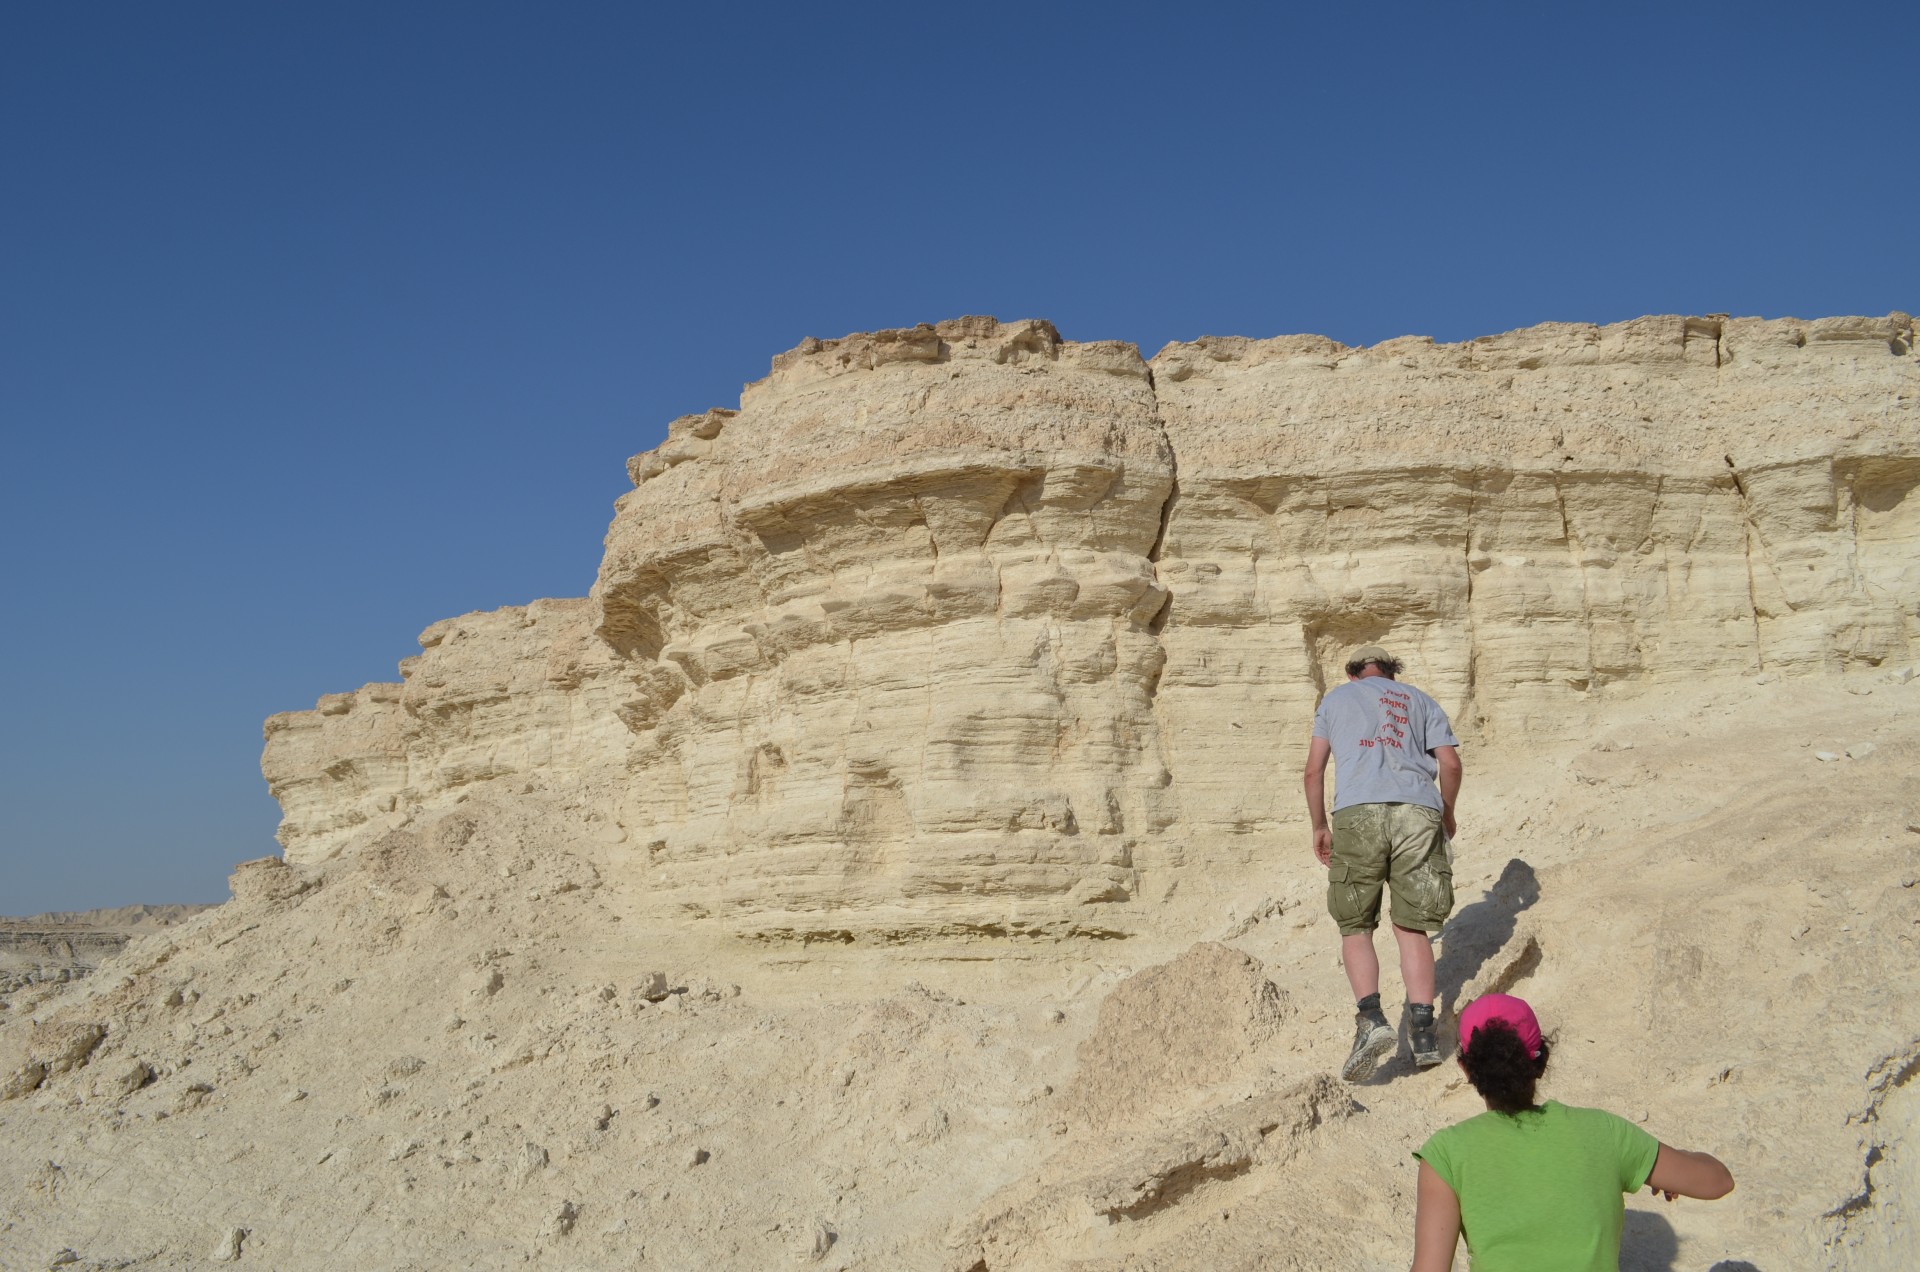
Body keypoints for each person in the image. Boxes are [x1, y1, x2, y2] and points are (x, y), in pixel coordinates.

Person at [1410, 993, 1734, 1271]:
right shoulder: (1604, 1131)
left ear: (1466, 1069)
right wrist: (1672, 1163)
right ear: (1541, 1063)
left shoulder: (1446, 1154)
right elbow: (1718, 1181)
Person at [1302, 643, 1461, 1080]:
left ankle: (1371, 1020)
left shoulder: (1335, 699)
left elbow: (1313, 771)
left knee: (1356, 925)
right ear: (1392, 672)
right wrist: (1445, 811)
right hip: (1418, 812)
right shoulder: (1421, 700)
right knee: (1412, 925)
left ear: (1354, 674)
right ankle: (1424, 1033)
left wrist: (1319, 825)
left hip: (1358, 813)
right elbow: (1449, 763)